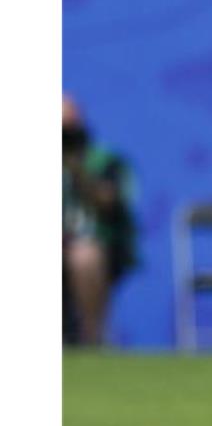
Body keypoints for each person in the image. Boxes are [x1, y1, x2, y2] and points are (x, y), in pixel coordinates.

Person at [63, 94, 137, 346]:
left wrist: (77, 171)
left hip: (96, 243)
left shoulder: (103, 160)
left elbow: (110, 202)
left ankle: (92, 336)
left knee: (84, 256)